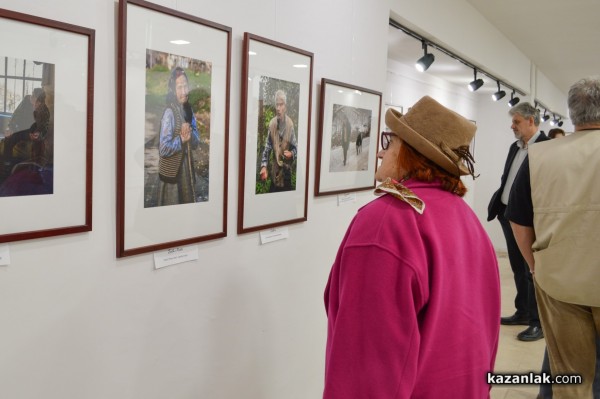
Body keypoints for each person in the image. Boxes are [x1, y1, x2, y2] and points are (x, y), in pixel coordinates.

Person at [323, 96, 500, 398]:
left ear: (409, 153)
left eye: (389, 143)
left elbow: (367, 364)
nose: (379, 152)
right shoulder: (465, 218)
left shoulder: (385, 224)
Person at [508, 76, 600, 399]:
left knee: (569, 376)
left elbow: (518, 220)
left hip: (559, 281)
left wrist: (535, 265)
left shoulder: (540, 156)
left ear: (572, 114)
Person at [487, 102, 548, 341]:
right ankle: (522, 311)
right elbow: (508, 178)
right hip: (507, 214)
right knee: (517, 268)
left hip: (529, 219)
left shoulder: (546, 148)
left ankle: (537, 321)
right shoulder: (516, 147)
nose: (512, 126)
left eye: (517, 122)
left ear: (531, 121)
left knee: (532, 270)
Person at [157, 67, 200, 206]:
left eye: (185, 86)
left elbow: (196, 142)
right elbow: (163, 149)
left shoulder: (189, 110)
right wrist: (181, 139)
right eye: (179, 87)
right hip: (172, 178)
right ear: (173, 90)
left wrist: (190, 134)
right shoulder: (169, 113)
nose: (183, 91)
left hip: (186, 174)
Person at [259, 90, 297, 192]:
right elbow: (267, 149)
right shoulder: (272, 124)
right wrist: (263, 166)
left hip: (287, 175)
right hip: (275, 174)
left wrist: (292, 153)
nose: (278, 108)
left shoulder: (290, 125)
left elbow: (296, 148)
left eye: (281, 105)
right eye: (277, 105)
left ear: (286, 106)